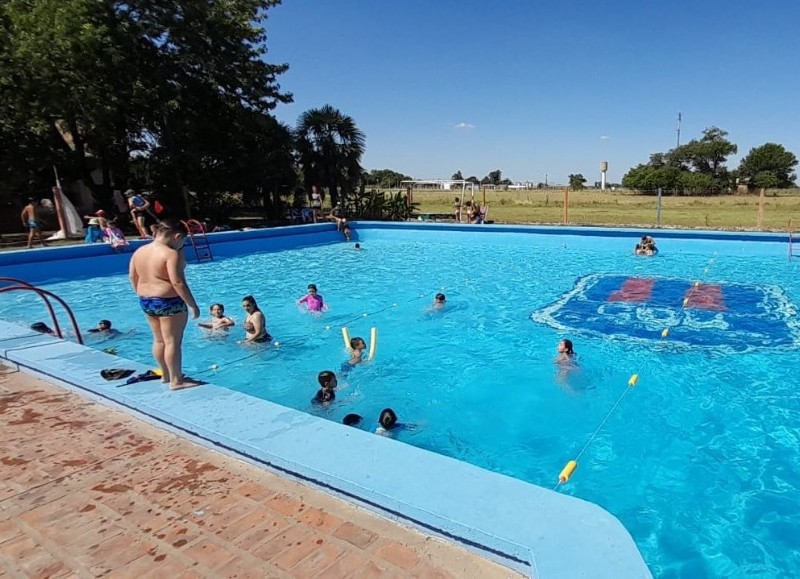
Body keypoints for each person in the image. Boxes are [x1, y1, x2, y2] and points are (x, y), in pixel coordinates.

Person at [129, 220, 202, 390]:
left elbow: (133, 277)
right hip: (169, 302)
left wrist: (142, 293)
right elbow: (177, 282)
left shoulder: (140, 251)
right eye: (182, 241)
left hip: (146, 300)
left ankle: (166, 375)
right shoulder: (170, 254)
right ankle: (176, 381)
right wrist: (192, 305)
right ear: (177, 236)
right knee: (172, 342)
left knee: (159, 339)